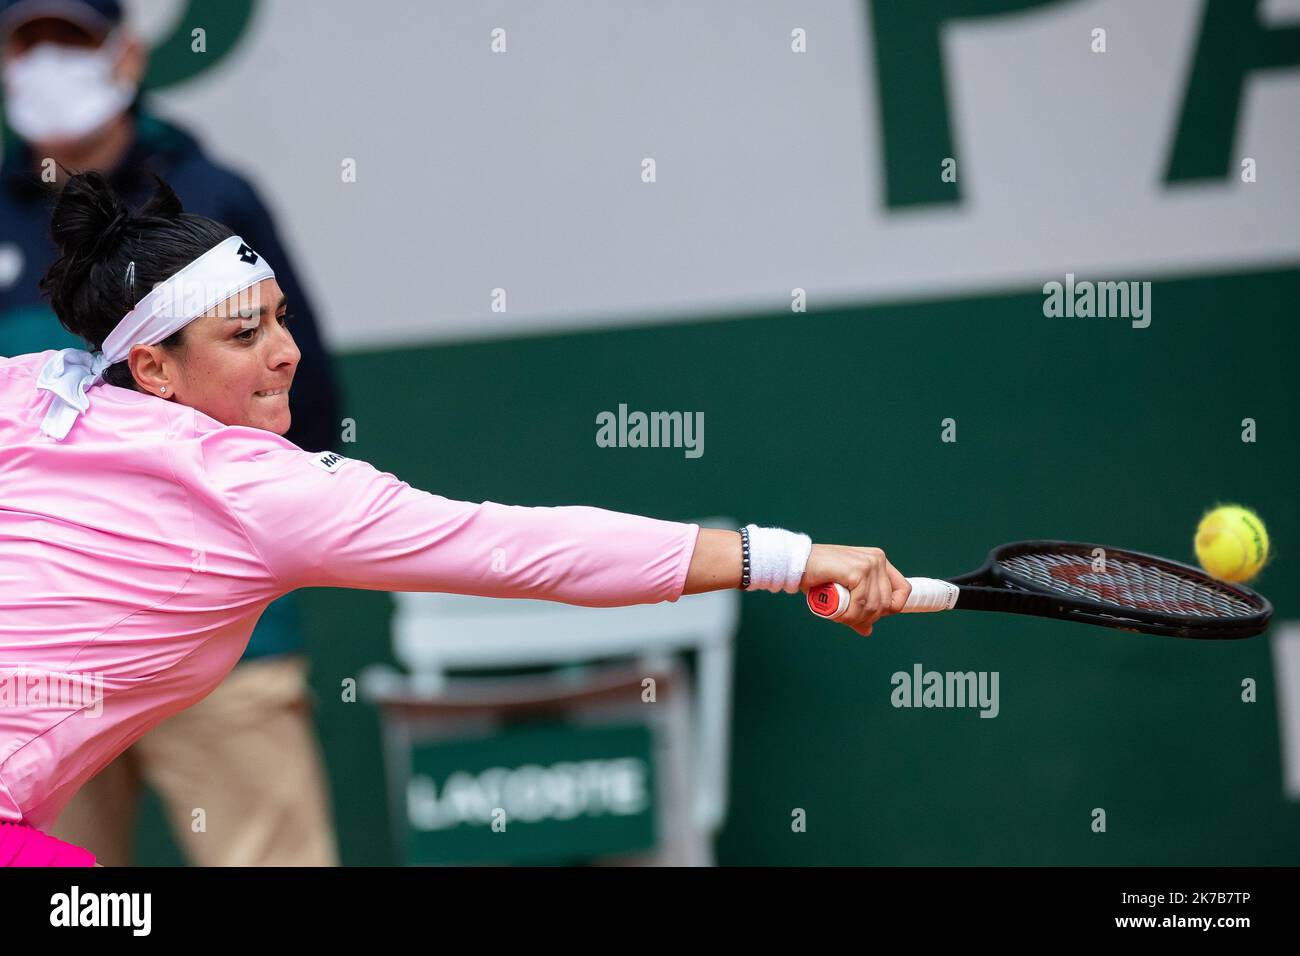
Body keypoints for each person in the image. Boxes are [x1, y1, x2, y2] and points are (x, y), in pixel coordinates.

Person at [0, 171, 910, 866]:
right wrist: (790, 558)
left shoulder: (30, 395)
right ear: (153, 368)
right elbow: (526, 550)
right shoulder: (266, 492)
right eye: (244, 336)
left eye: (278, 320)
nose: (285, 353)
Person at [0, 0, 343, 864]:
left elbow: (301, 396)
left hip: (220, 638)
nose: (45, 65)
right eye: (23, 43)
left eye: (68, 42)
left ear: (123, 56)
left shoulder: (214, 196)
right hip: (37, 662)